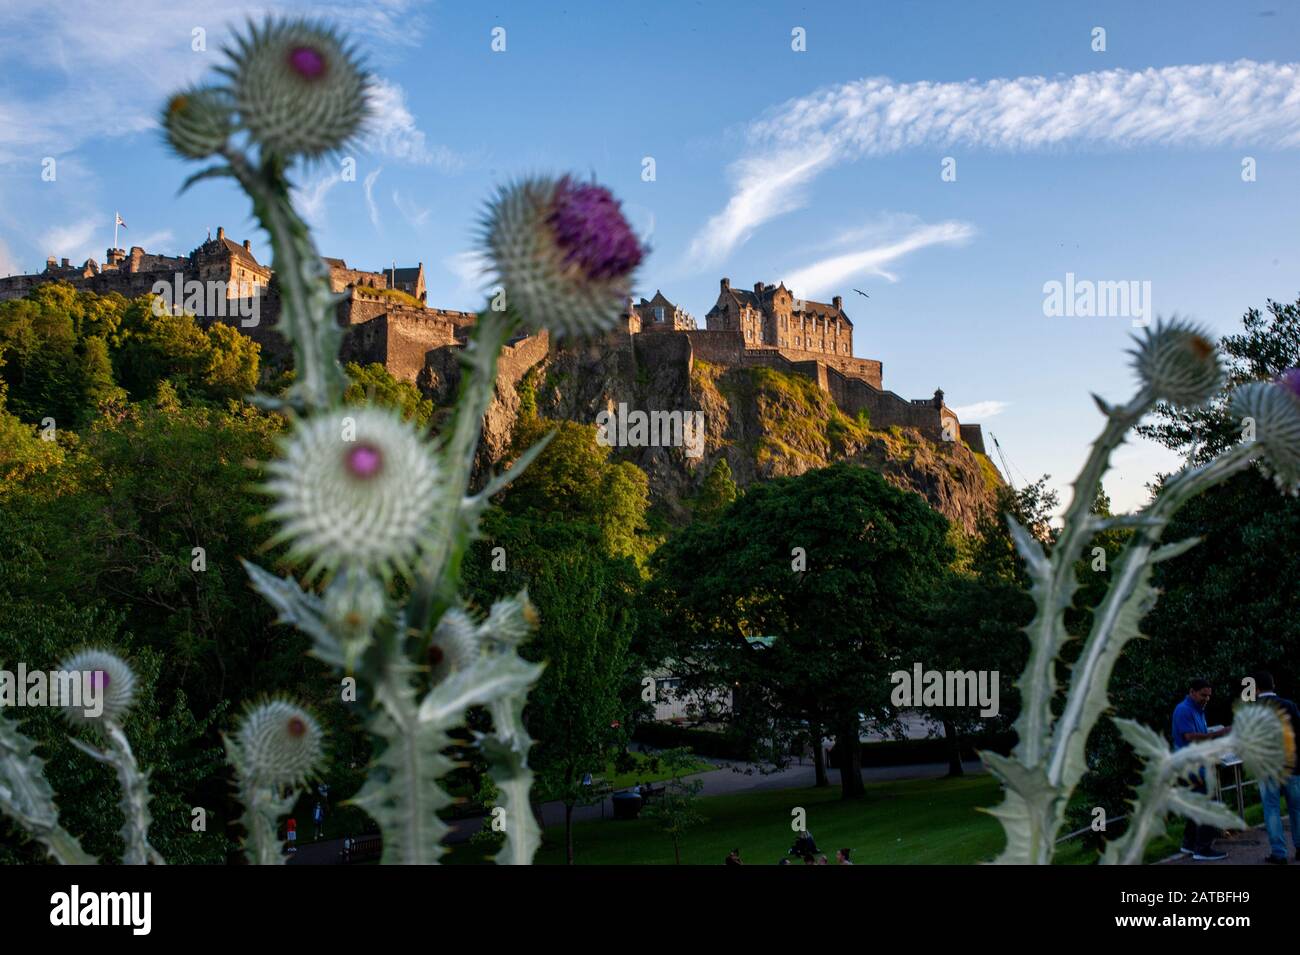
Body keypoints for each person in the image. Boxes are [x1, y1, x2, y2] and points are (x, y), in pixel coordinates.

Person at [1172, 678, 1229, 861]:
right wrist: (1218, 734)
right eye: (1203, 695)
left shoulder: (1198, 710)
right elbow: (1190, 737)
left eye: (1209, 696)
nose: (1206, 698)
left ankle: (1188, 844)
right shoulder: (1183, 710)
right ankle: (1202, 849)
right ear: (1192, 692)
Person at [1254, 671, 1300, 864]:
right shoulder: (1289, 705)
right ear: (1273, 686)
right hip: (1292, 764)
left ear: (1256, 688)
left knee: (1272, 809)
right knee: (1296, 808)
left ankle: (1279, 853)